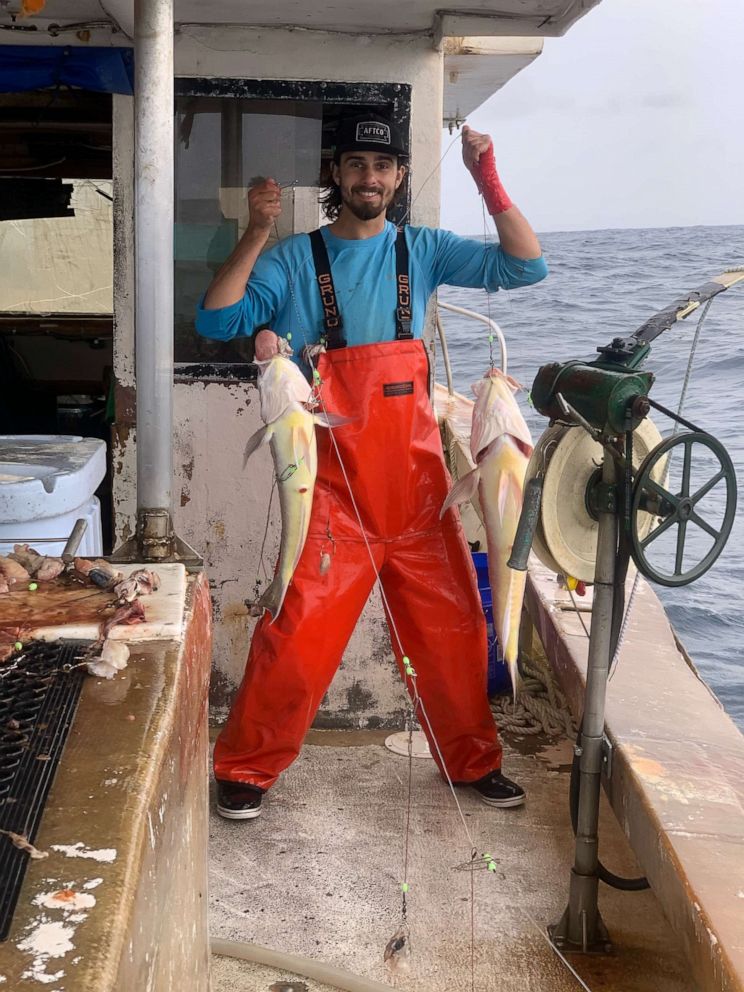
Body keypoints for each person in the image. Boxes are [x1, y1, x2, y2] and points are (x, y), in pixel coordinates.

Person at [196, 112, 548, 820]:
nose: (369, 177)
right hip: (331, 494)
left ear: (398, 178)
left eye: (382, 166)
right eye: (356, 164)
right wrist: (258, 231)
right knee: (294, 635)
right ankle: (246, 769)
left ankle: (474, 762)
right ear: (337, 173)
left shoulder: (422, 249)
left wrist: (488, 178)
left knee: (454, 635)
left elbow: (525, 264)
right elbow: (217, 318)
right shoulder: (295, 258)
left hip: (419, 496)